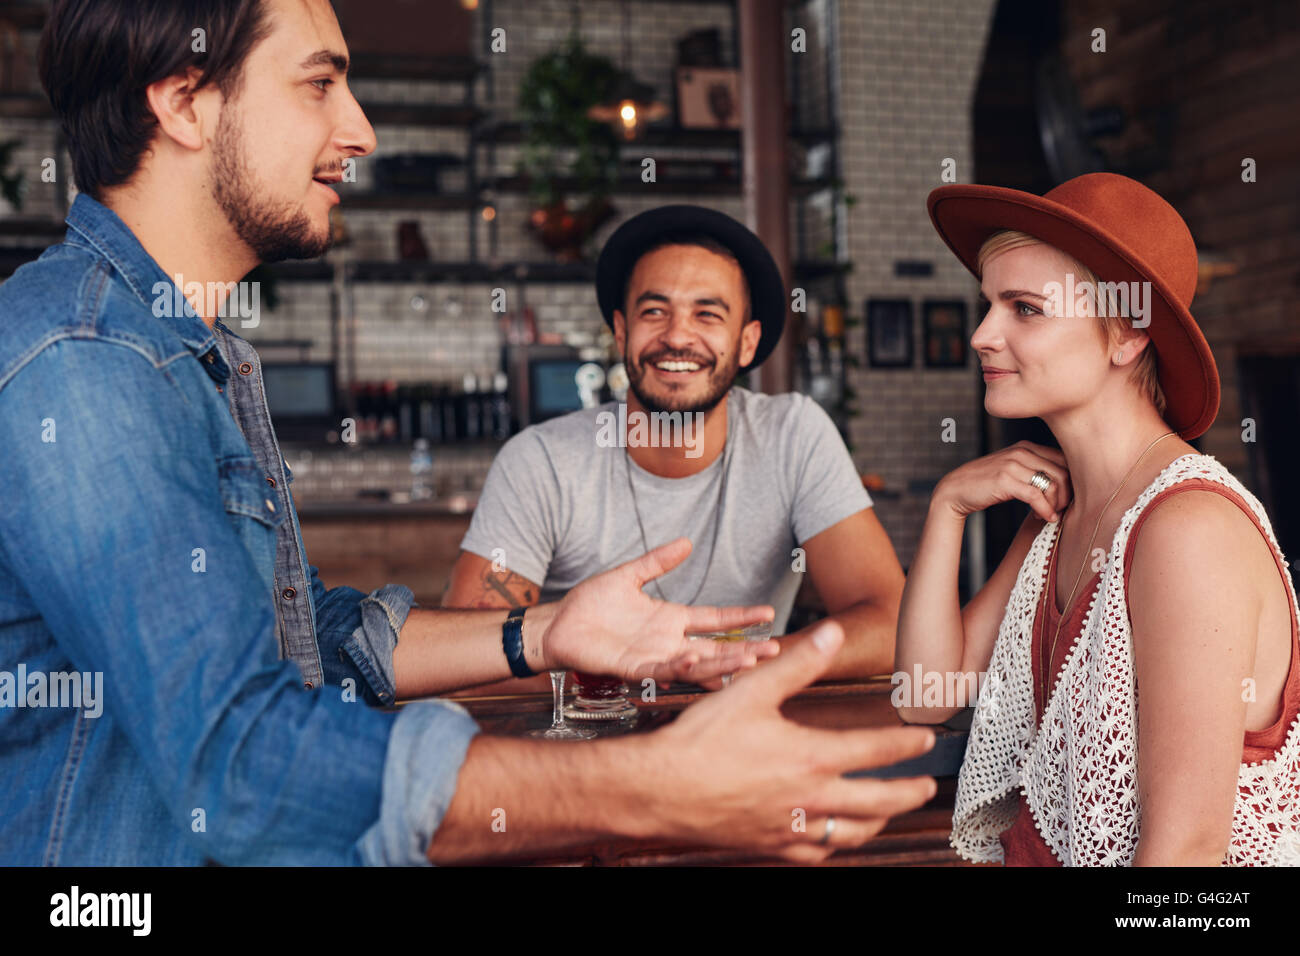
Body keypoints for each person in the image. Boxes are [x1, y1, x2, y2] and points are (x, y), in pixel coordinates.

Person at [0, 0, 940, 866]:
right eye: (320, 83)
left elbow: (310, 642)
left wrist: (545, 632)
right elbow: (238, 757)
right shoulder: (84, 359)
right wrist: (650, 788)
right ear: (184, 104)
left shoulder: (199, 357)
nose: (359, 129)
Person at [894, 171, 1300, 866]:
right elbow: (925, 695)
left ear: (1126, 337)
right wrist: (947, 506)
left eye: (1024, 309)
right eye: (988, 306)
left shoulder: (1188, 530)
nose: (982, 336)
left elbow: (1184, 852)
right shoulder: (1056, 511)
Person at [443, 205, 905, 688]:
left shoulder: (794, 436)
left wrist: (730, 666)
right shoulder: (540, 462)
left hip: (738, 735)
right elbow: (468, 663)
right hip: (582, 749)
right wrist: (623, 674)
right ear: (622, 333)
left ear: (747, 343)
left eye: (707, 314)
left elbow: (891, 624)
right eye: (654, 311)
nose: (678, 335)